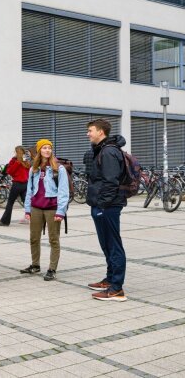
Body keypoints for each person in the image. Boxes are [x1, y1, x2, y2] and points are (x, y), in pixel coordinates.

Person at [85, 119, 128, 301]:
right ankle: (110, 279)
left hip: (108, 206)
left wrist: (102, 205)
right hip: (101, 204)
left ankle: (117, 288)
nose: (88, 134)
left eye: (90, 130)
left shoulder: (109, 152)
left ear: (101, 132)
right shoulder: (102, 150)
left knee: (113, 244)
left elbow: (111, 182)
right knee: (106, 244)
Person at [20, 139, 70, 281]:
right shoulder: (34, 169)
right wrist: (27, 210)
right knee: (33, 238)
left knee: (53, 239)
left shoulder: (58, 169)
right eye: (44, 148)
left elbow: (63, 192)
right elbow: (29, 190)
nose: (47, 150)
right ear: (39, 151)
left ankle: (52, 269)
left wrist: (61, 211)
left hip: (52, 208)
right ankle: (35, 265)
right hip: (36, 207)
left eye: (49, 148)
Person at [0, 146, 31, 226]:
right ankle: (36, 220)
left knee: (10, 203)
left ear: (16, 152)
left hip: (17, 184)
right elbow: (29, 171)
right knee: (27, 203)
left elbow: (10, 171)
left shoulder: (14, 160)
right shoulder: (26, 160)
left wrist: (16, 163)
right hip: (25, 184)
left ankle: (5, 221)